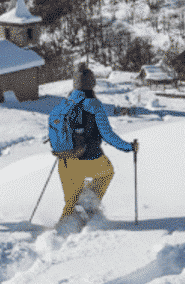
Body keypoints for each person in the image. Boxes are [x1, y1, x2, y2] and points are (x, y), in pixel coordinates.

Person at [57, 63, 137, 225]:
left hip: (65, 161)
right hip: (91, 159)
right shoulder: (95, 106)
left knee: (70, 204)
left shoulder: (65, 104)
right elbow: (107, 135)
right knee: (107, 172)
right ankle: (88, 200)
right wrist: (129, 147)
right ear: (92, 84)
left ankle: (60, 233)